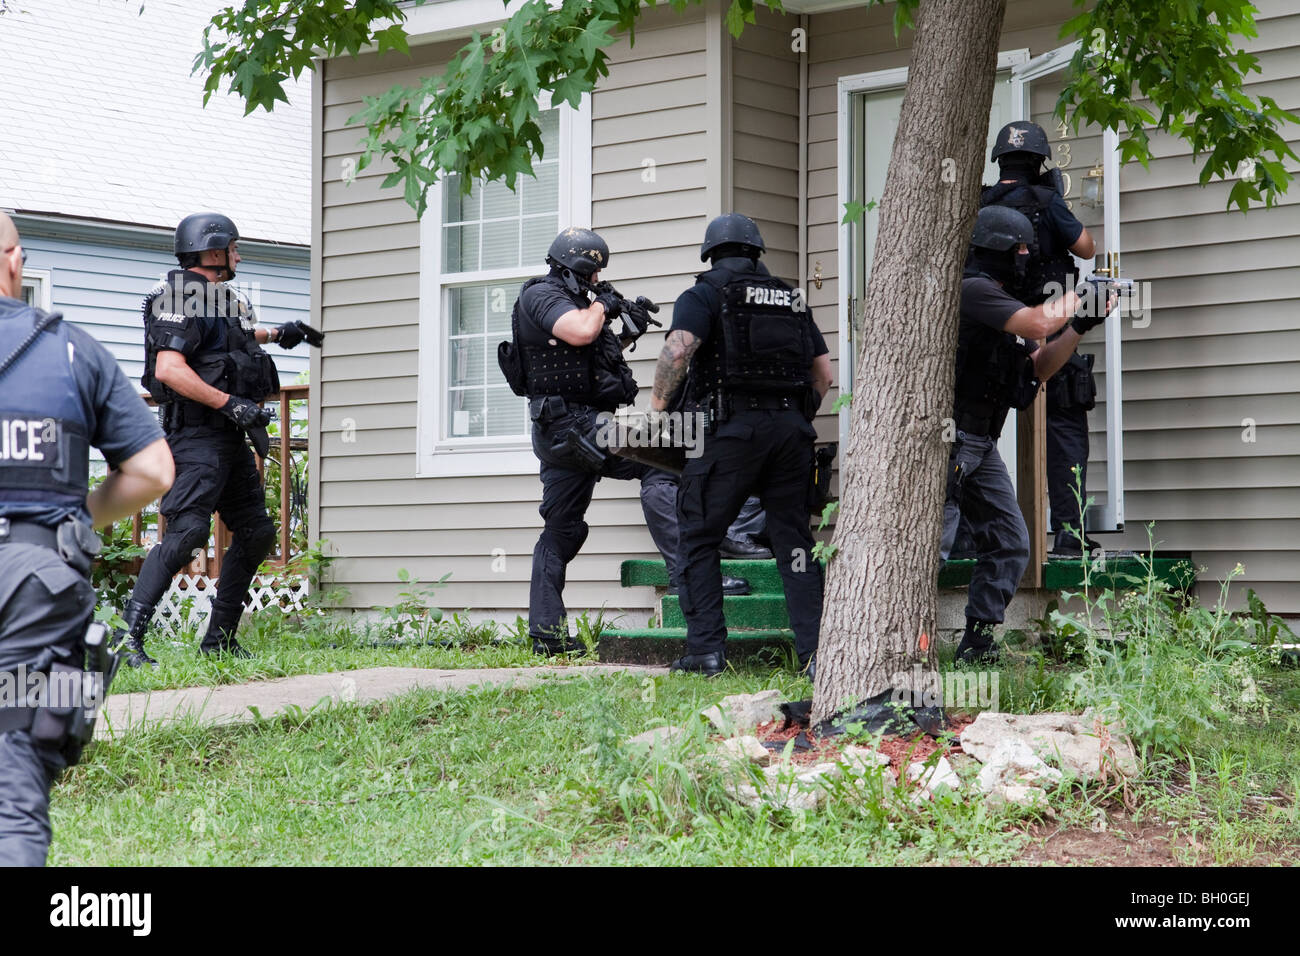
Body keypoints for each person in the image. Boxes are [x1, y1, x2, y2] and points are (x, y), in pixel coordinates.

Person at [0, 212, 175, 866]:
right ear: (15, 260)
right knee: (14, 760)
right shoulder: (70, 349)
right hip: (35, 577)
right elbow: (155, 471)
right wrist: (75, 517)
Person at [501, 228, 752, 656]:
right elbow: (580, 332)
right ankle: (688, 573)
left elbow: (585, 359)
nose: (599, 280)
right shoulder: (541, 296)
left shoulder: (576, 301)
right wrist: (603, 305)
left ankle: (548, 636)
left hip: (571, 428)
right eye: (595, 272)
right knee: (670, 458)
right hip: (572, 425)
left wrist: (627, 333)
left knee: (562, 530)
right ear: (579, 266)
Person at [120, 213, 322, 665]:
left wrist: (279, 332)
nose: (238, 255)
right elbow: (170, 368)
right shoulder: (178, 298)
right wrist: (231, 404)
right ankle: (126, 639)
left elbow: (229, 338)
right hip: (195, 437)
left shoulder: (218, 299)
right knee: (187, 533)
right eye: (233, 248)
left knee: (255, 532)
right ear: (212, 251)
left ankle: (220, 639)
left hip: (229, 439)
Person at [651, 213, 832, 677]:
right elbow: (824, 375)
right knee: (794, 542)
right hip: (792, 434)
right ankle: (816, 656)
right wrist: (792, 418)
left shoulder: (704, 293)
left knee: (698, 537)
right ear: (757, 252)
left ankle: (706, 654)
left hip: (729, 434)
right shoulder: (791, 297)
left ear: (711, 254)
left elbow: (678, 350)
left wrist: (657, 410)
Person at [945, 205, 1111, 663]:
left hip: (982, 444)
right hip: (950, 441)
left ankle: (977, 643)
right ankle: (896, 648)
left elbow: (1040, 366)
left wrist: (1080, 325)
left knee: (1011, 541)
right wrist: (1083, 294)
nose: (1023, 255)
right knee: (932, 548)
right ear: (992, 247)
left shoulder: (1011, 299)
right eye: (1016, 247)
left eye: (1026, 247)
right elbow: (1039, 323)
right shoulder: (974, 289)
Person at [982, 121, 1099, 556]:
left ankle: (968, 537)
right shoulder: (1048, 202)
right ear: (1039, 161)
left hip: (995, 331)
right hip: (1049, 327)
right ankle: (1069, 533)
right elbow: (1087, 248)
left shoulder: (982, 203)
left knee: (976, 431)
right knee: (1065, 425)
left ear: (1001, 160)